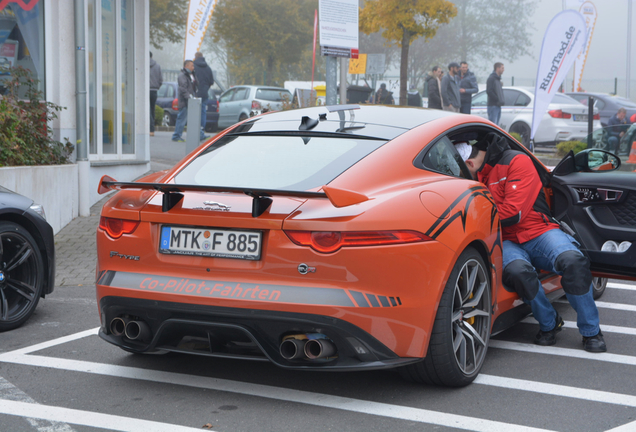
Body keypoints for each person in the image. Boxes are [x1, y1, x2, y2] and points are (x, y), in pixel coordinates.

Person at [458, 133, 606, 352]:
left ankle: (591, 331)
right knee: (519, 273)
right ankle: (549, 323)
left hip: (538, 231)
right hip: (504, 240)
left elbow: (513, 213)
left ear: (469, 162)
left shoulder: (516, 160)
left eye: (463, 171)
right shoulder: (472, 177)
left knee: (573, 262)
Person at [172, 60, 198, 143]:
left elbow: (196, 85)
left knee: (190, 118)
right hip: (184, 101)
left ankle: (199, 135)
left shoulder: (190, 75)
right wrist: (189, 97)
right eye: (192, 66)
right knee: (182, 118)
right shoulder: (182, 75)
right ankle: (176, 136)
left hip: (189, 100)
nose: (193, 67)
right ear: (186, 66)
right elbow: (183, 88)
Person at [193, 51, 214, 139]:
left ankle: (194, 132)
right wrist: (206, 88)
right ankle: (201, 131)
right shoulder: (208, 68)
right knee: (203, 112)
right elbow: (211, 81)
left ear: (195, 57)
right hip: (204, 93)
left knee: (193, 113)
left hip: (195, 93)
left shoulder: (193, 66)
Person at [149, 52, 163, 137]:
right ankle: (152, 129)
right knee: (152, 109)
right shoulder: (157, 66)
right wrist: (157, 86)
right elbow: (161, 80)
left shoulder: (142, 64)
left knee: (147, 111)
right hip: (154, 90)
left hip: (146, 90)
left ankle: (150, 129)